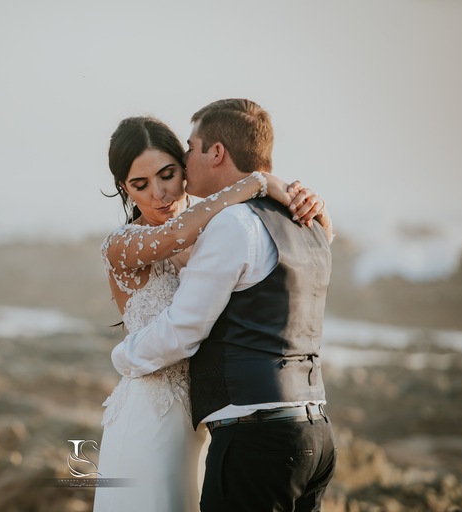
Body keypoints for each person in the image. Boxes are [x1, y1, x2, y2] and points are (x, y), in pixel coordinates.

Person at [94, 115, 331, 511]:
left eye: (168, 174)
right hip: (151, 416)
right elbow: (174, 236)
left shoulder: (224, 227)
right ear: (125, 189)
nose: (159, 193)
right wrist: (255, 182)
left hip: (216, 420)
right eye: (140, 185)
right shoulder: (123, 243)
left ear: (185, 169)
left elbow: (299, 253)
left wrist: (314, 207)